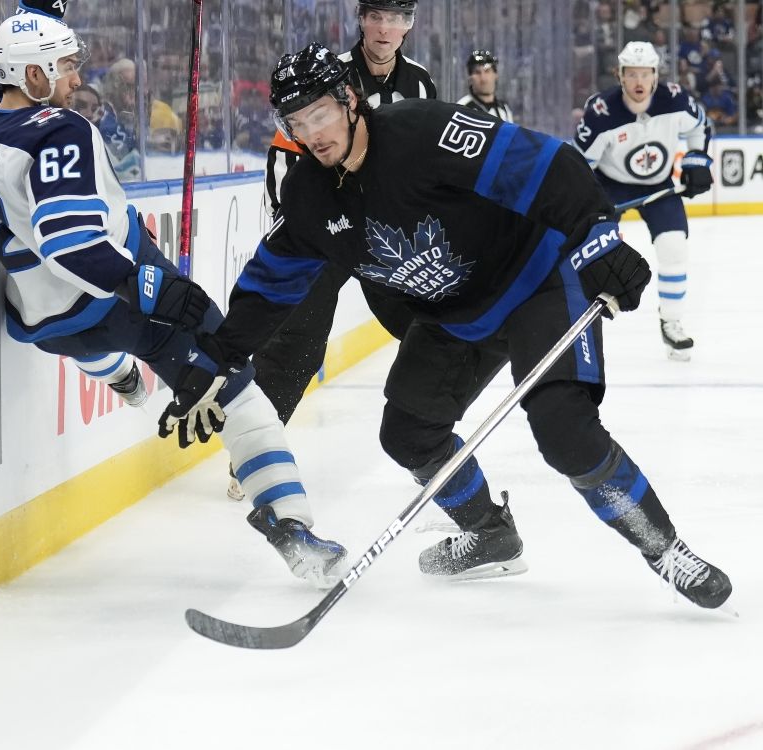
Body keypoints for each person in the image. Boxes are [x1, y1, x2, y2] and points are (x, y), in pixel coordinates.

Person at [161, 43, 732, 610]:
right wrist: (214, 359)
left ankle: (666, 549)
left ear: (349, 99)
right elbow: (268, 287)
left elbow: (548, 163)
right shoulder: (309, 195)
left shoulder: (421, 130)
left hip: (540, 279)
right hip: (457, 315)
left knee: (564, 431)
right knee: (407, 433)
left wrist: (599, 233)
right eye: (297, 122)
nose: (313, 133)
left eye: (321, 113)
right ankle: (490, 533)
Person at [0, 14, 348, 589]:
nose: (76, 77)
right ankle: (291, 527)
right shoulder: (58, 130)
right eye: (64, 66)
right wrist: (152, 287)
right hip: (117, 303)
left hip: (49, 324)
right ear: (34, 72)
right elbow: (70, 241)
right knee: (236, 389)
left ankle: (119, 377)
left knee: (97, 338)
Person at [234, 0, 435, 501]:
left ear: (409, 25)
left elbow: (426, 158)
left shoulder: (421, 83)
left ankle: (433, 447)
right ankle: (253, 455)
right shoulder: (325, 76)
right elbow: (284, 161)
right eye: (376, 17)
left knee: (430, 334)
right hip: (326, 232)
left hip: (388, 238)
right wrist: (304, 224)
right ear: (361, 21)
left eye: (397, 18)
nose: (385, 28)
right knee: (298, 345)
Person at [574, 41, 713, 361]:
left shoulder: (675, 100)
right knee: (593, 255)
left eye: (645, 74)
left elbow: (700, 127)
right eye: (631, 73)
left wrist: (696, 161)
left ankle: (672, 322)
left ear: (655, 76)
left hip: (658, 185)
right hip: (610, 187)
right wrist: (589, 202)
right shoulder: (601, 112)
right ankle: (580, 326)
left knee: (674, 249)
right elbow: (580, 165)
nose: (639, 81)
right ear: (619, 76)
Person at [456, 49, 514, 122]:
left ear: (496, 75)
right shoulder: (462, 109)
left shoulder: (504, 108)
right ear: (470, 78)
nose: (483, 78)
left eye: (487, 71)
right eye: (477, 72)